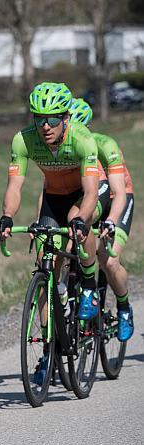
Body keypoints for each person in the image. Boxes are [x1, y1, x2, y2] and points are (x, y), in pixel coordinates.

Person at [0, 82, 101, 384]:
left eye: (52, 119)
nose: (45, 126)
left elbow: (92, 191)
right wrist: (6, 216)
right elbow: (15, 186)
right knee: (44, 264)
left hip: (81, 197)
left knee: (77, 223)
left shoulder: (83, 139)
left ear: (66, 119)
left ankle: (90, 285)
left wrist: (82, 218)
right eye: (38, 119)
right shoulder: (23, 141)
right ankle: (49, 348)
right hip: (53, 198)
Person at [69, 98, 134, 341]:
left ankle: (124, 306)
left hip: (118, 199)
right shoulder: (63, 151)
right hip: (88, 200)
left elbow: (117, 193)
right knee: (67, 246)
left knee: (108, 261)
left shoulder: (105, 145)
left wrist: (111, 221)